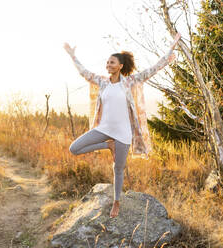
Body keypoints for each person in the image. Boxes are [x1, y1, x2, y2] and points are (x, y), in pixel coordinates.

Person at [63, 33, 181, 218]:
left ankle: (116, 202)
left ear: (120, 66)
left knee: (118, 169)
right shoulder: (102, 82)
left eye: (112, 63)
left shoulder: (129, 82)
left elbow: (153, 69)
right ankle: (107, 145)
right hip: (103, 129)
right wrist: (72, 55)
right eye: (107, 62)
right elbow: (84, 72)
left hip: (123, 133)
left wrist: (171, 50)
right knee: (74, 148)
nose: (108, 65)